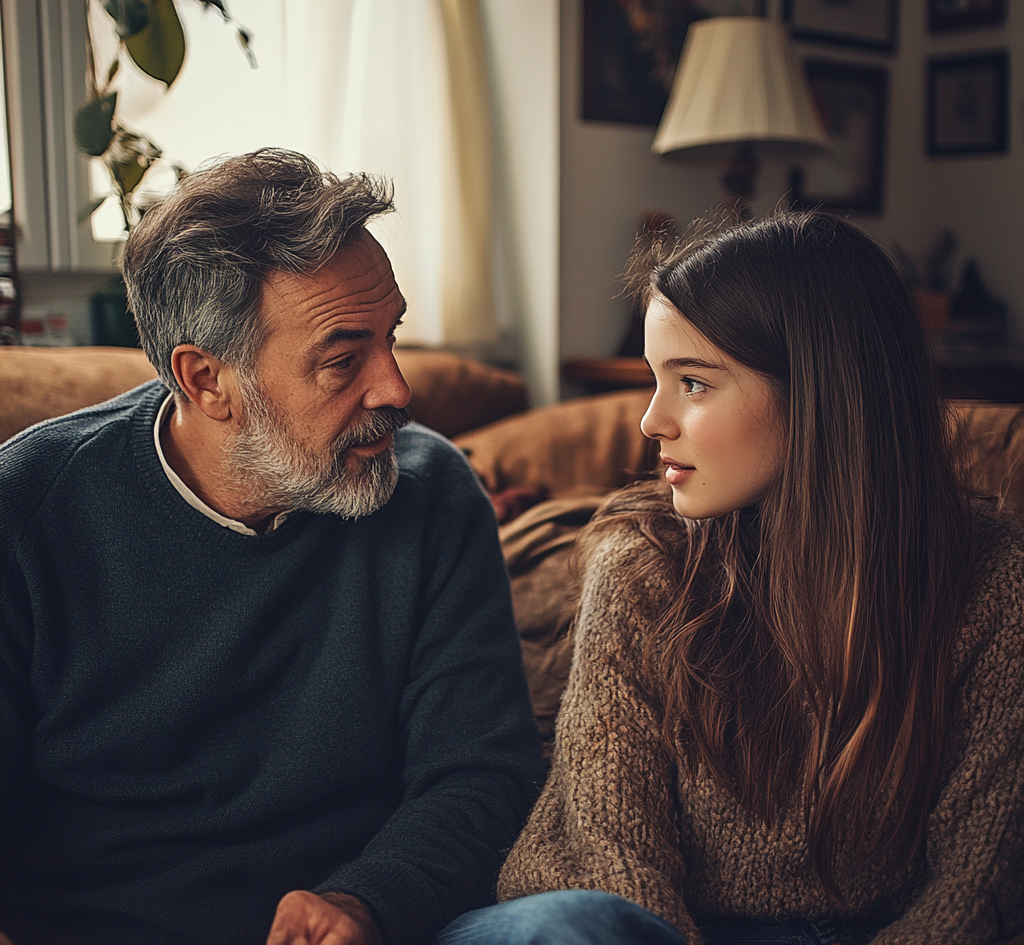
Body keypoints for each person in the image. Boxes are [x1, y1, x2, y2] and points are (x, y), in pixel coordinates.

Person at [0, 149, 543, 945]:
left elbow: (480, 770)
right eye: (342, 359)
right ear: (207, 380)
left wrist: (367, 901)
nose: (397, 389)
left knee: (576, 926)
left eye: (391, 337)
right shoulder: (27, 509)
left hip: (373, 927)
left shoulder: (433, 490)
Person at [437, 212, 1024, 945]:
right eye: (656, 382)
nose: (652, 421)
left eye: (693, 383)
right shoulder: (642, 567)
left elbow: (977, 889)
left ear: (822, 393)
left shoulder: (996, 584)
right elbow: (616, 866)